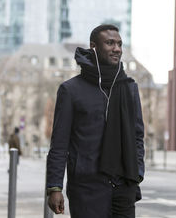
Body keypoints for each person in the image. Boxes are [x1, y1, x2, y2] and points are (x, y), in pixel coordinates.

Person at [46, 24, 145, 218]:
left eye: (119, 44)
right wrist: (54, 187)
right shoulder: (71, 90)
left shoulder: (129, 88)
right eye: (110, 43)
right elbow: (59, 143)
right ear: (94, 47)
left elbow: (137, 136)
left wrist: (138, 173)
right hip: (86, 188)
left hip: (124, 187)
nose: (116, 48)